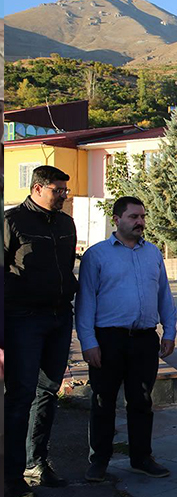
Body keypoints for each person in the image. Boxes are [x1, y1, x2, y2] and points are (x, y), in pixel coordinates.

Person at [76, 196, 176, 482]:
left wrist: (169, 331)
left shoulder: (153, 253)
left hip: (144, 340)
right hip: (108, 340)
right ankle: (99, 461)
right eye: (133, 217)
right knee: (103, 401)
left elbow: (164, 295)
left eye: (142, 216)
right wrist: (88, 342)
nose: (140, 222)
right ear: (117, 219)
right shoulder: (97, 255)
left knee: (142, 401)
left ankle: (141, 457)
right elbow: (85, 302)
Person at [4, 166, 78, 496]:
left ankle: (37, 462)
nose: (64, 195)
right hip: (23, 319)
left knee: (47, 392)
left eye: (65, 190)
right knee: (20, 396)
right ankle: (11, 474)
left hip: (60, 319)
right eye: (57, 190)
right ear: (37, 188)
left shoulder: (66, 223)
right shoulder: (12, 221)